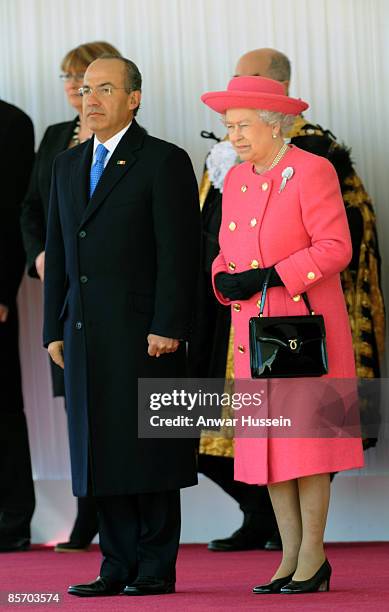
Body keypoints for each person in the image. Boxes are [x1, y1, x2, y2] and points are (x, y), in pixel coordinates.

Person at [191, 47, 384, 553]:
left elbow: (338, 247)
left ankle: (311, 557)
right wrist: (223, 279)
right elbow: (222, 250)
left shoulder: (313, 168)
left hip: (302, 330)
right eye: (229, 126)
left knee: (308, 448)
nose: (232, 136)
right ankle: (286, 558)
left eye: (241, 125)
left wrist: (273, 275)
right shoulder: (233, 176)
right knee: (266, 449)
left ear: (274, 123)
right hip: (249, 333)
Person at [43, 56, 200, 596]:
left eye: (105, 89)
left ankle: (154, 566)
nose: (91, 99)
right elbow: (59, 253)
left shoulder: (163, 160)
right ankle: (116, 565)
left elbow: (179, 253)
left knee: (149, 445)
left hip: (146, 334)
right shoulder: (66, 166)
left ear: (134, 97)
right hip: (83, 333)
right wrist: (52, 329)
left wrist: (169, 324)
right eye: (86, 89)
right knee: (100, 448)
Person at [21, 41, 122, 553]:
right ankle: (88, 515)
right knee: (75, 410)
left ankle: (123, 518)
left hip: (115, 298)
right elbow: (31, 208)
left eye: (81, 77)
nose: (73, 87)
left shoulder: (136, 147)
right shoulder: (57, 137)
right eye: (68, 77)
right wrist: (40, 255)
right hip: (63, 297)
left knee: (116, 409)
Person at [0, 100, 35, 551]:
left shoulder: (9, 123)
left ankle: (12, 519)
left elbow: (13, 215)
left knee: (2, 406)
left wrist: (2, 289)